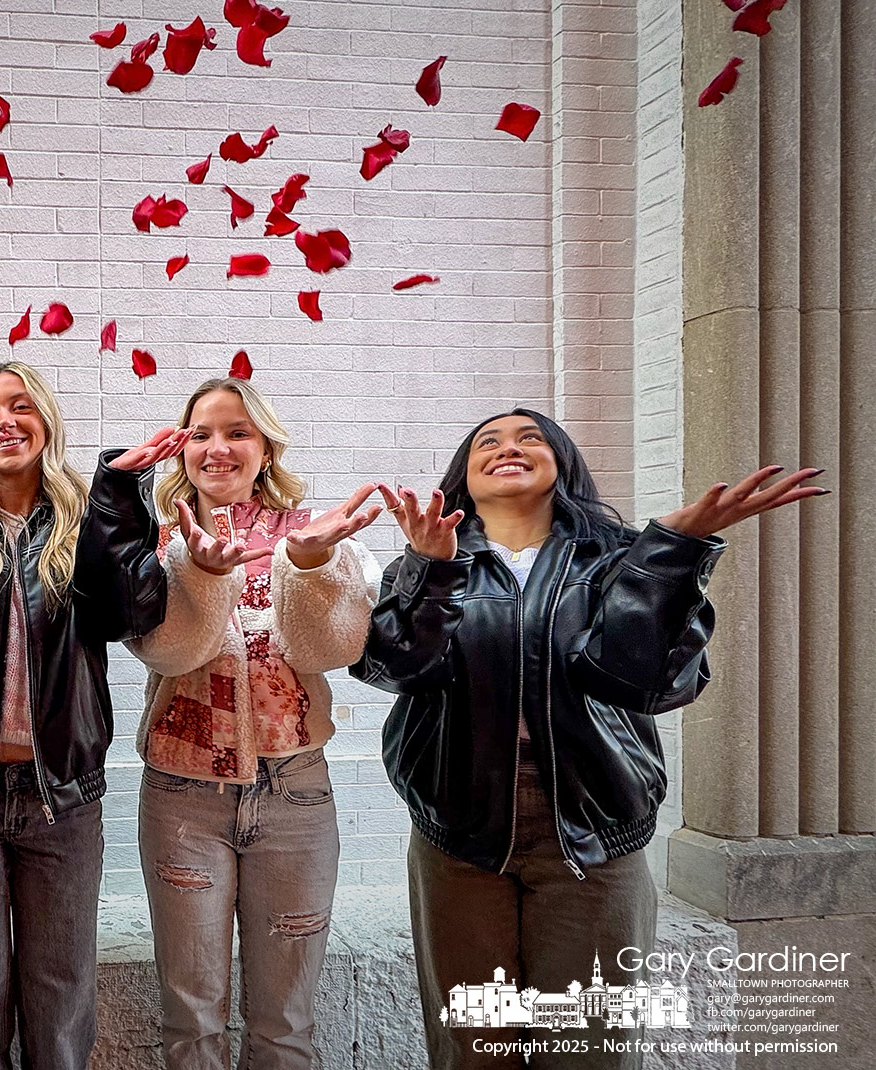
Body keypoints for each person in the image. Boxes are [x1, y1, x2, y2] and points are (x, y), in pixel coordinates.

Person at [352, 407, 825, 1069]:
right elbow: (394, 669)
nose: (507, 448)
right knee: (473, 1049)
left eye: (530, 438)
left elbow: (644, 683)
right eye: (487, 441)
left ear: (562, 463)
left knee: (590, 1048)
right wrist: (433, 574)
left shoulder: (621, 556)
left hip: (594, 828)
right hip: (457, 832)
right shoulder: (430, 557)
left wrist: (670, 555)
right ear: (465, 474)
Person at [0, 360, 177, 1070]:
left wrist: (121, 498)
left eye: (20, 405)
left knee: (61, 1007)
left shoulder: (88, 521)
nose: (4, 421)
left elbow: (131, 614)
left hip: (63, 799)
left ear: (46, 421)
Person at [124, 376, 382, 1070]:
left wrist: (312, 565)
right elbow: (169, 650)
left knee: (285, 1026)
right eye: (201, 433)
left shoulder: (317, 537)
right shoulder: (152, 546)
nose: (218, 447)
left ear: (265, 446)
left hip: (297, 796)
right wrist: (202, 577)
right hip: (183, 800)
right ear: (180, 450)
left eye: (237, 431)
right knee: (191, 1021)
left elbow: (332, 650)